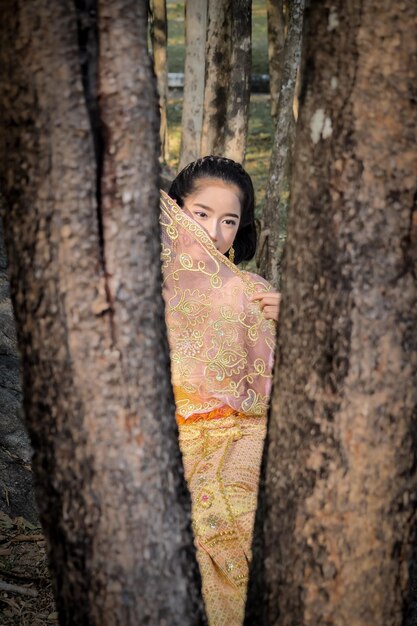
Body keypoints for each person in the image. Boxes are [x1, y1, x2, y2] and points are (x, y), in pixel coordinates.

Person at [160, 156, 279, 626]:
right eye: (201, 214)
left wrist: (293, 321)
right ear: (175, 212)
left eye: (229, 220)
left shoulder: (251, 290)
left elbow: (282, 380)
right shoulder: (142, 288)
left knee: (245, 514)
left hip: (246, 432)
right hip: (173, 437)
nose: (214, 231)